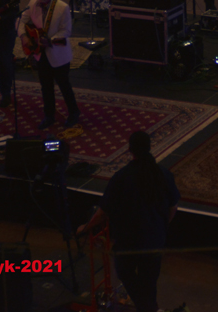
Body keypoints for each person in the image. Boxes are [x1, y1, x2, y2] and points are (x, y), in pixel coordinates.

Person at [77, 130, 180, 312]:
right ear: (149, 147)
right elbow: (173, 206)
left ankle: (148, 308)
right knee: (149, 282)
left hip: (129, 241)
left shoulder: (122, 177)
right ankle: (150, 307)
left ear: (130, 150)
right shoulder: (163, 174)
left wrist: (85, 228)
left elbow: (103, 212)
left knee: (125, 272)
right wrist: (163, 227)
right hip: (155, 239)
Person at [20, 0, 80, 129]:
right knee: (45, 87)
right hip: (41, 53)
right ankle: (49, 115)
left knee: (64, 85)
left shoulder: (62, 7)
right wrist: (23, 36)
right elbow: (21, 21)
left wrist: (51, 40)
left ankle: (74, 113)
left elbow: (66, 31)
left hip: (58, 54)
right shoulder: (32, 3)